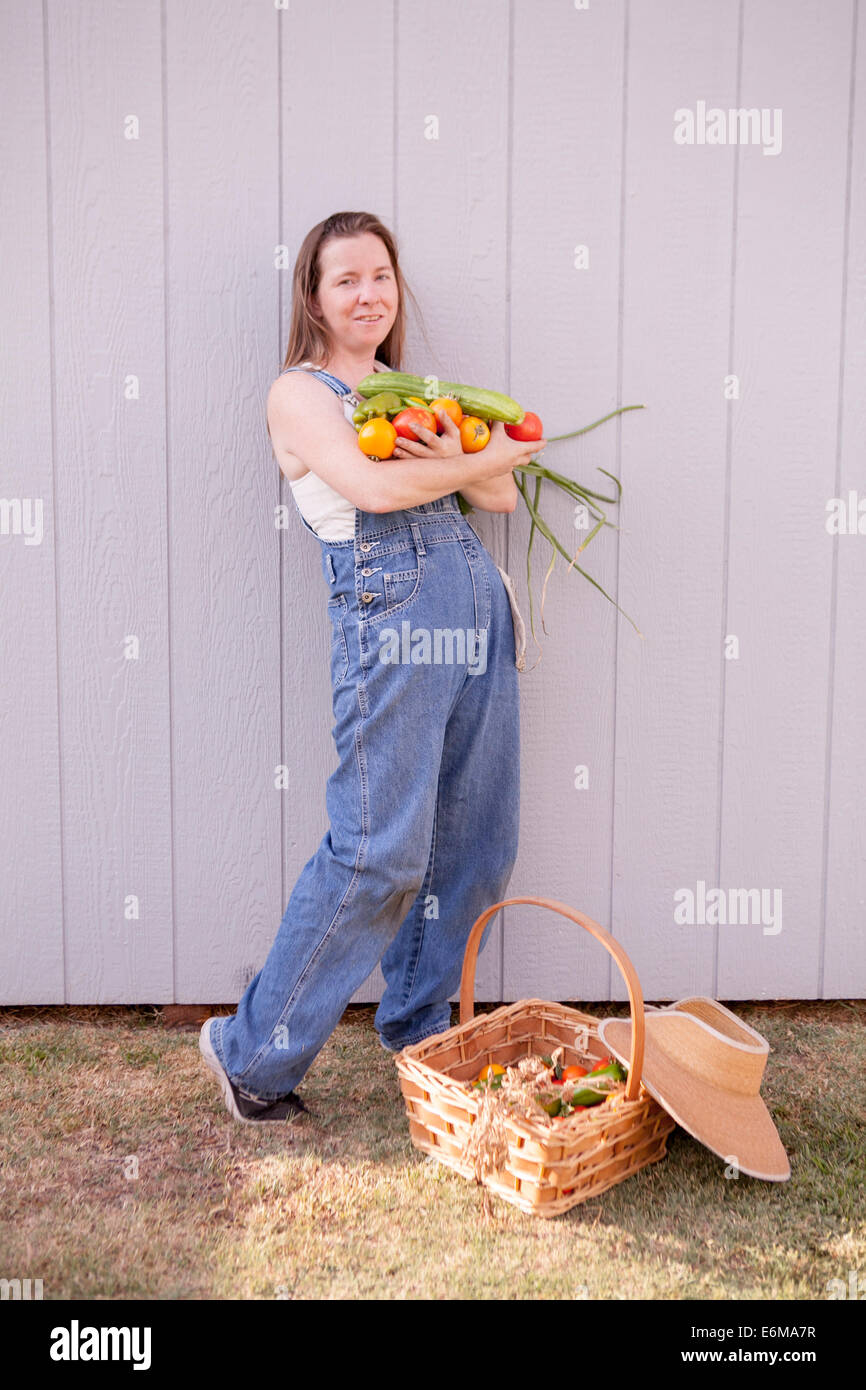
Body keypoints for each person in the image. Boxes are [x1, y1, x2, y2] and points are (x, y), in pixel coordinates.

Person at [199, 211, 545, 1122]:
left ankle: (421, 1032)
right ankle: (250, 1056)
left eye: (381, 277)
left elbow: (500, 494)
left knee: (477, 844)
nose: (368, 294)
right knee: (379, 851)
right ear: (314, 296)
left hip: (474, 610)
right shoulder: (300, 394)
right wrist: (471, 455)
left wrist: (482, 459)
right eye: (346, 279)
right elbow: (376, 487)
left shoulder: (411, 386)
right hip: (391, 619)